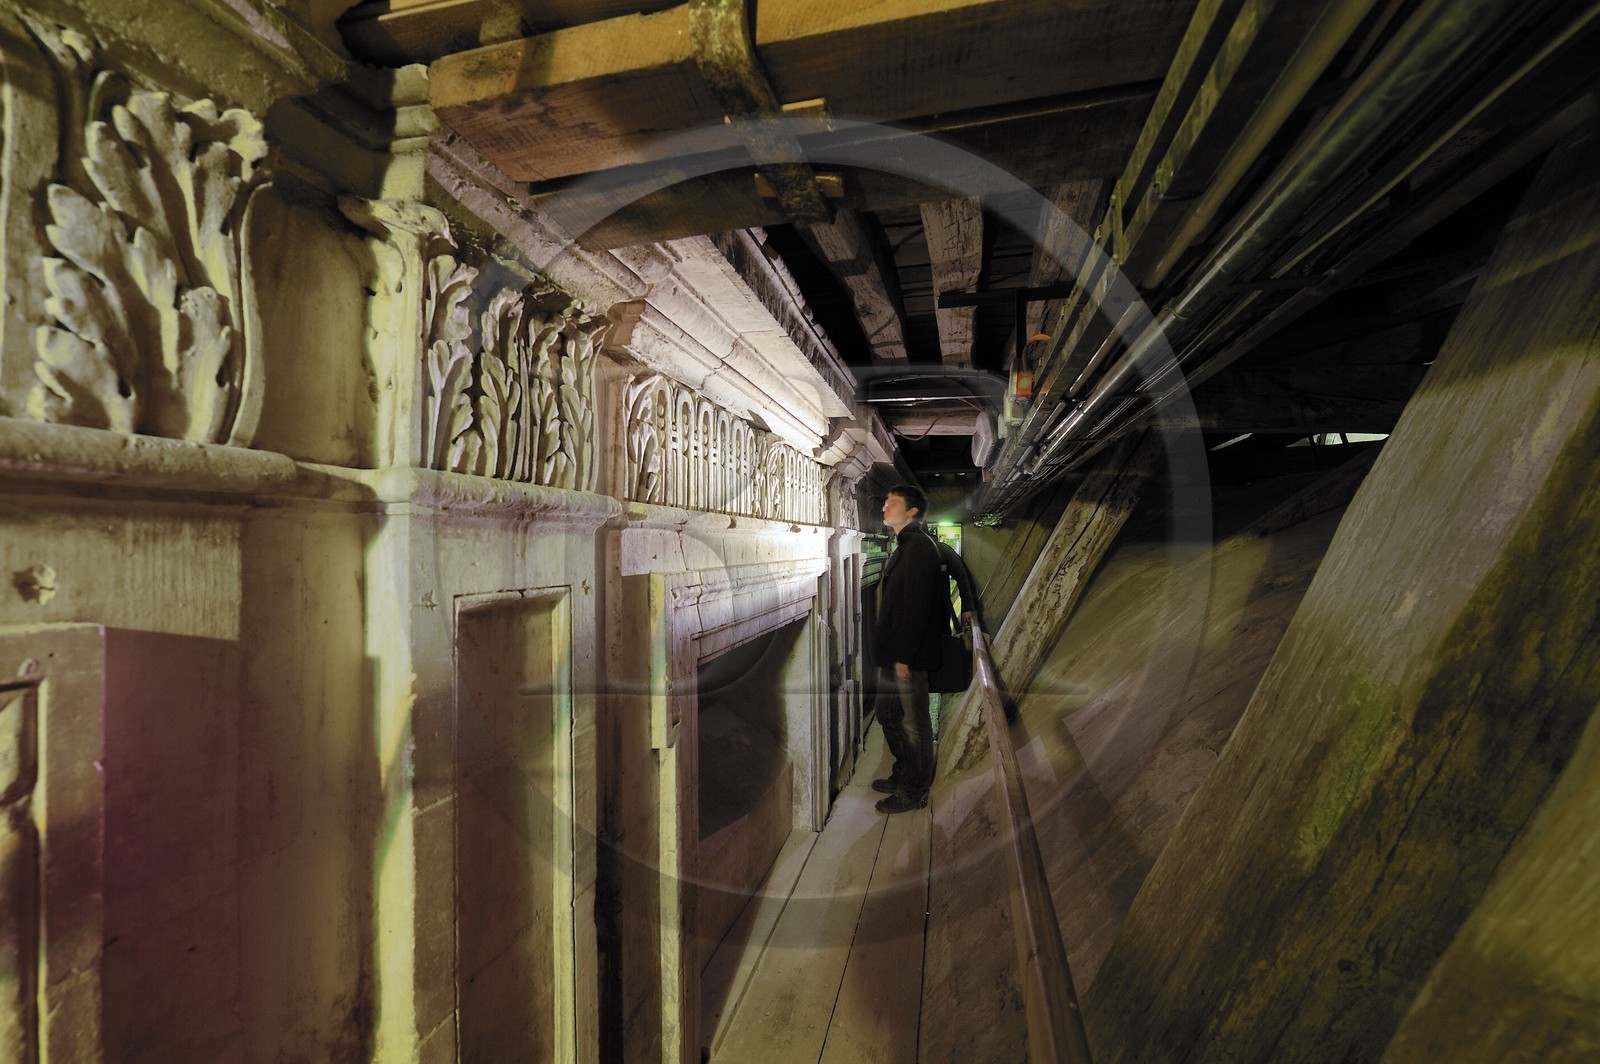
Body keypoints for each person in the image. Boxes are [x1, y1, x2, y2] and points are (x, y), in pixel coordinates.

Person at [870, 484, 951, 813]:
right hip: (896, 656)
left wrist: (903, 657)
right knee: (887, 715)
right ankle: (904, 772)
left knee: (912, 723)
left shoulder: (918, 547)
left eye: (893, 503)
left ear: (912, 511)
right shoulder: (906, 545)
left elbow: (916, 608)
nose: (885, 507)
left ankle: (915, 791)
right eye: (885, 502)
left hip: (908, 658)